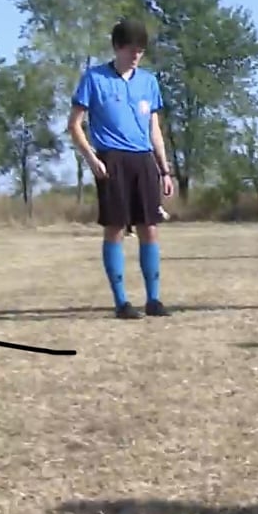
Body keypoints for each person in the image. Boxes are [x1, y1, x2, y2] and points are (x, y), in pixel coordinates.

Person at [67, 19, 174, 319]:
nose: (136, 56)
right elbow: (74, 125)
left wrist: (164, 170)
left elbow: (154, 129)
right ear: (117, 47)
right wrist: (91, 158)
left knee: (149, 229)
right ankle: (122, 302)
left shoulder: (148, 82)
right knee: (115, 229)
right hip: (111, 159)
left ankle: (154, 300)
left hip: (143, 160)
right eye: (131, 50)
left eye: (141, 51)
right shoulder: (94, 78)